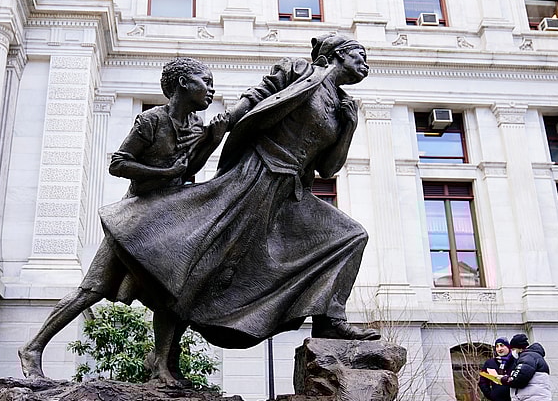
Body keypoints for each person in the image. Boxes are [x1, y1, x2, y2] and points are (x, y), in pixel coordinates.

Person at [101, 34, 380, 350]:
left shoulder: (342, 106)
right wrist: (217, 131)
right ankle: (164, 355)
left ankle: (330, 320)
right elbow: (257, 97)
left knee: (349, 235)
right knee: (212, 260)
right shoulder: (299, 70)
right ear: (339, 54)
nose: (365, 62)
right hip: (257, 174)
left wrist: (350, 125)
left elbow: (329, 170)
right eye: (360, 53)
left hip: (290, 192)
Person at [19, 57, 228, 385]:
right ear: (184, 84)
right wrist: (162, 173)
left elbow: (187, 170)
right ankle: (32, 348)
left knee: (173, 296)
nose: (211, 88)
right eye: (206, 79)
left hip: (167, 223)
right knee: (92, 290)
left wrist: (212, 141)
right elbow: (118, 164)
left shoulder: (197, 127)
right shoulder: (150, 121)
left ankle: (161, 365)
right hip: (132, 221)